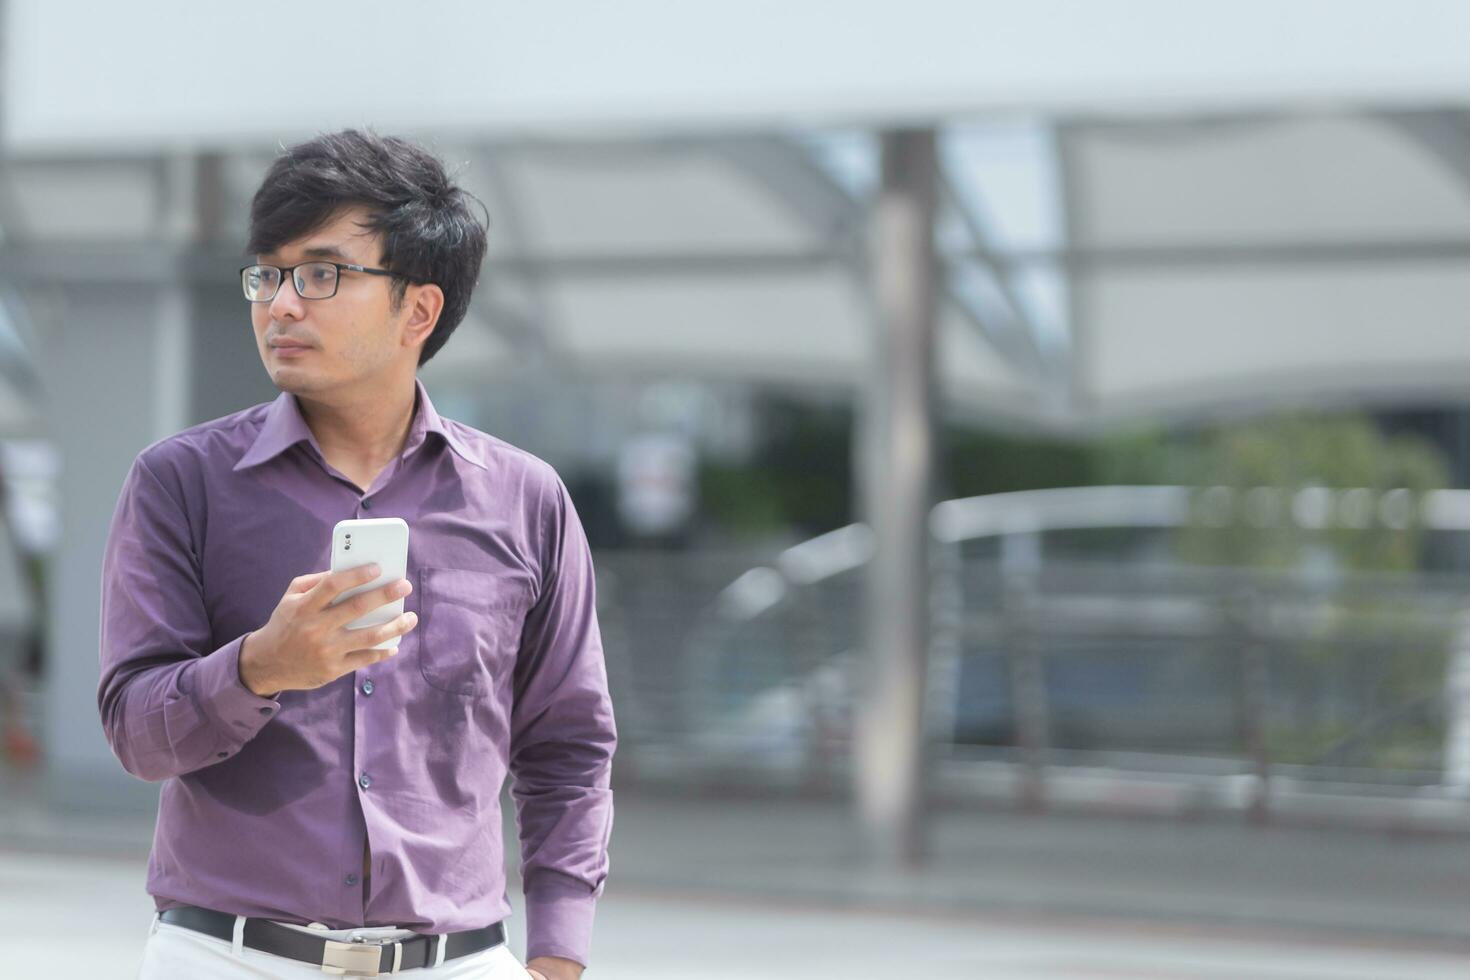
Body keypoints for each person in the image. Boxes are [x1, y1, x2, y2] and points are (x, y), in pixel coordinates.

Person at [98, 129, 615, 979]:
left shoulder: (525, 500)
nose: (281, 304)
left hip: (459, 960)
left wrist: (559, 951)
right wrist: (260, 667)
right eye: (267, 273)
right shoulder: (181, 483)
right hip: (228, 958)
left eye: (322, 273)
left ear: (419, 308)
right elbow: (135, 733)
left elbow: (568, 746)